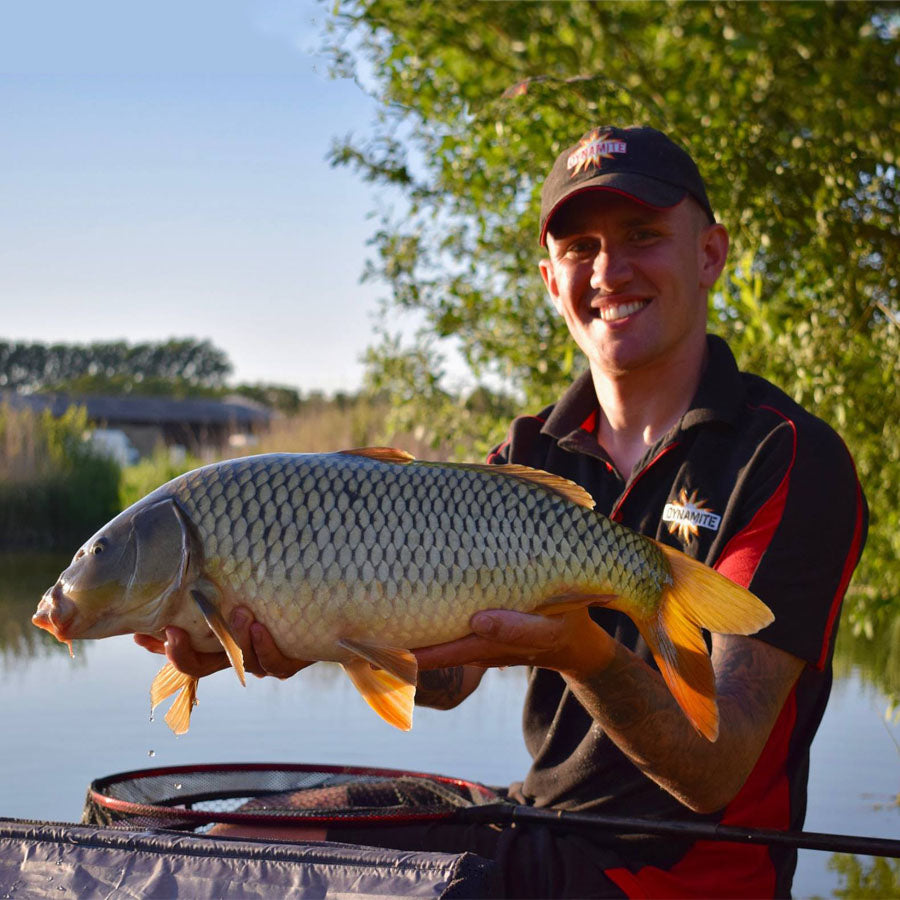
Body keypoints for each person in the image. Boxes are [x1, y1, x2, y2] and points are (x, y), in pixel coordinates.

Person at [135, 125, 868, 898]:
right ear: (553, 281)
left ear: (710, 253)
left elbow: (714, 773)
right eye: (581, 247)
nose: (609, 270)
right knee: (243, 841)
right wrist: (315, 624)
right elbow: (451, 681)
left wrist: (579, 651)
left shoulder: (786, 455)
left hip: (682, 875)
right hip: (538, 825)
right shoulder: (526, 457)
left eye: (643, 235)